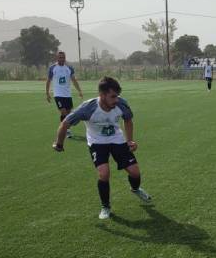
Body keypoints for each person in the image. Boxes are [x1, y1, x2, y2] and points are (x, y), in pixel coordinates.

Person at [52, 76, 151, 220]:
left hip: (117, 139)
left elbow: (128, 120)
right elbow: (65, 124)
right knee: (104, 173)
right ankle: (105, 206)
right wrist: (59, 144)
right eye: (113, 96)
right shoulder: (88, 108)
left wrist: (130, 141)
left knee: (135, 172)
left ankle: (135, 189)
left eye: (117, 96)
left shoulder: (121, 104)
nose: (116, 100)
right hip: (97, 142)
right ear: (102, 95)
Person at [46, 51, 83, 138]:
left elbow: (74, 80)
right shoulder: (52, 68)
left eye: (63, 57)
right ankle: (66, 131)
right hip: (58, 95)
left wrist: (79, 91)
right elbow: (48, 81)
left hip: (67, 95)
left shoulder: (69, 68)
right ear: (57, 58)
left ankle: (66, 129)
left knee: (69, 114)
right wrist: (47, 93)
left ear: (65, 58)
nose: (62, 59)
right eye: (60, 57)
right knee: (63, 112)